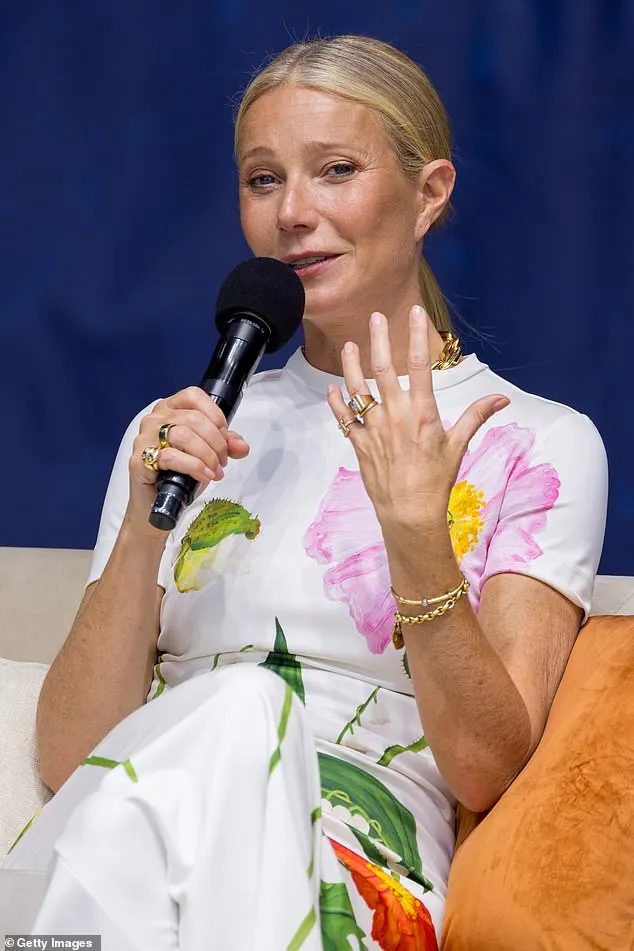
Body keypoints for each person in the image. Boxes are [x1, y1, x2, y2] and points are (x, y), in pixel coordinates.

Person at [0, 34, 608, 950]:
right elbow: (72, 751)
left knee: (248, 709)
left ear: (429, 193)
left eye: (335, 170)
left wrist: (415, 534)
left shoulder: (533, 442)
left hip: (354, 879)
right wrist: (140, 528)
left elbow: (486, 769)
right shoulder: (180, 434)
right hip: (136, 835)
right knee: (222, 725)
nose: (294, 213)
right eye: (262, 179)